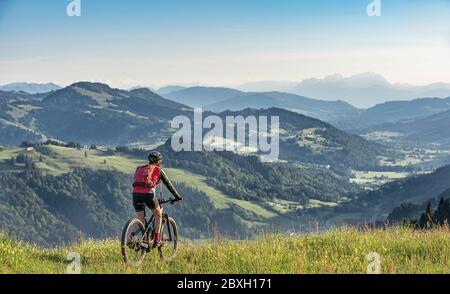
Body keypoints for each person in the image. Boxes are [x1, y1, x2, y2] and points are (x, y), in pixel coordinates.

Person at [132, 151, 182, 249]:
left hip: (135, 194)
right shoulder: (158, 169)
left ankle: (131, 237)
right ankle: (156, 239)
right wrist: (177, 196)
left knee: (140, 218)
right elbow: (168, 184)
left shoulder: (140, 169)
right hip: (149, 194)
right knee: (158, 214)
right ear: (158, 161)